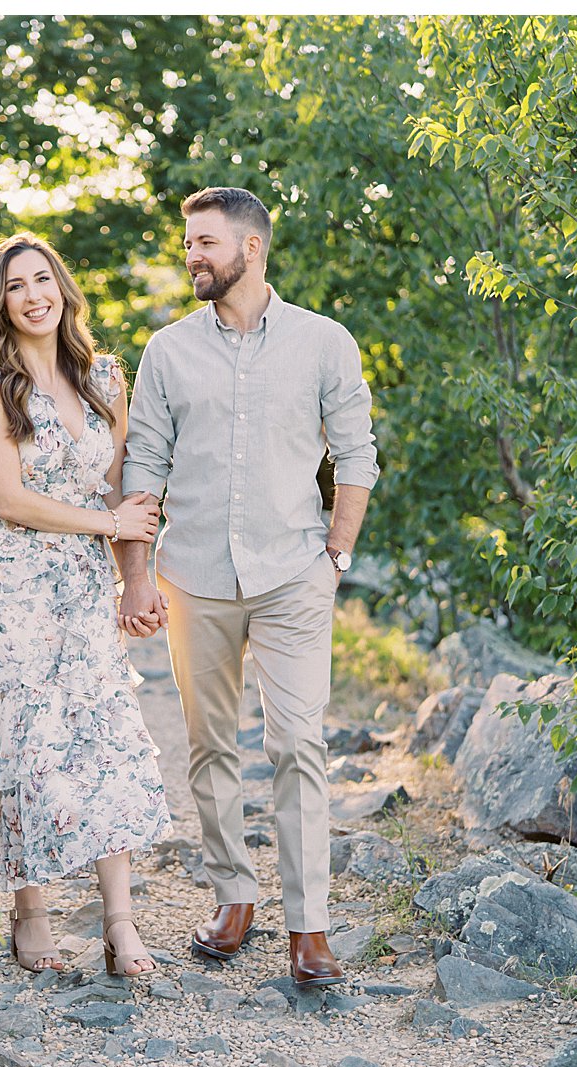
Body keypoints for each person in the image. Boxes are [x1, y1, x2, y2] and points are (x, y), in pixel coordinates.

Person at [117, 186, 379, 986]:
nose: (191, 255)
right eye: (188, 243)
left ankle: (310, 926)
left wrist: (335, 555)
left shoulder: (324, 342)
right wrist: (136, 577)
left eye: (205, 243)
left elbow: (357, 454)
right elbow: (143, 469)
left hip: (293, 572)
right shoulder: (167, 352)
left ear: (252, 248)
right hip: (193, 575)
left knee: (298, 743)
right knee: (210, 746)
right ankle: (235, 895)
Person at [0, 232, 172, 978]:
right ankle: (33, 913)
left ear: (63, 288)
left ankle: (120, 922)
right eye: (15, 285)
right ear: (0, 302)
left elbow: (122, 493)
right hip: (9, 590)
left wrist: (136, 578)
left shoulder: (104, 378)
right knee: (26, 748)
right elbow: (11, 498)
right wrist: (108, 524)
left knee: (102, 739)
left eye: (42, 278)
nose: (33, 295)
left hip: (82, 590)